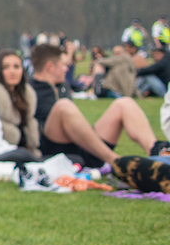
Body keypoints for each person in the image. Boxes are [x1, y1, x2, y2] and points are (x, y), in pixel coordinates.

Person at [28, 43, 157, 169]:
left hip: (86, 146)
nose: (66, 69)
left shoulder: (63, 85)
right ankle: (116, 161)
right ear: (50, 66)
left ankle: (159, 154)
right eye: (63, 65)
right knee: (64, 106)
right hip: (56, 150)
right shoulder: (29, 89)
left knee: (125, 103)